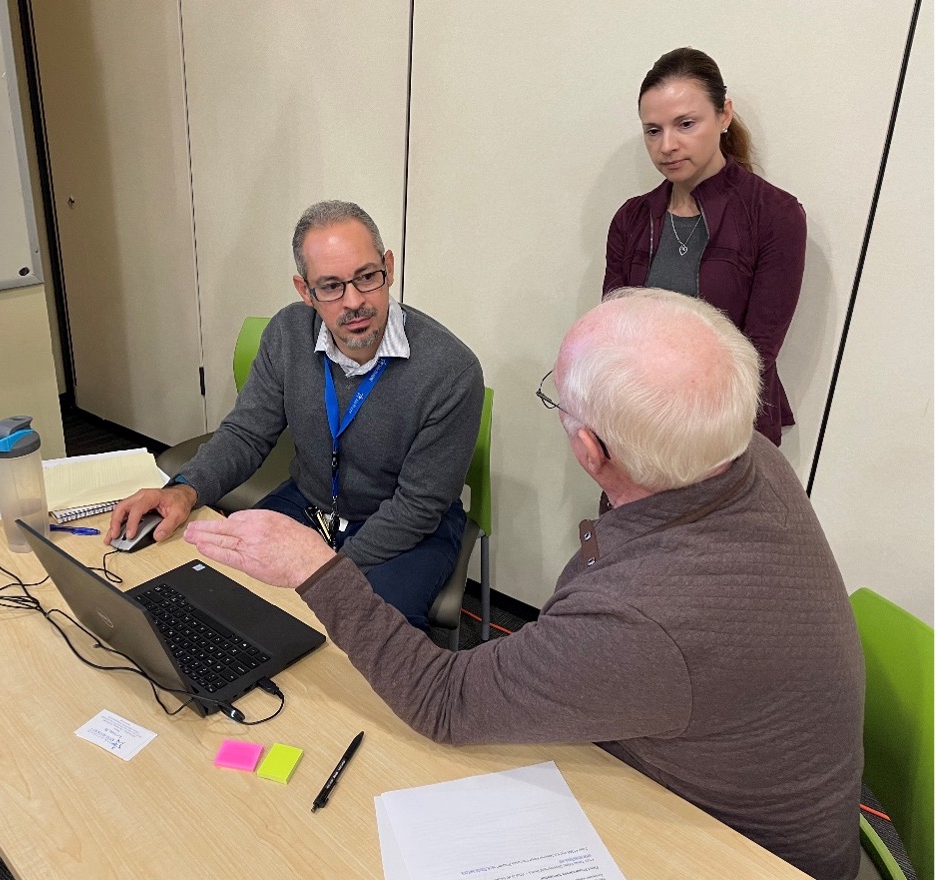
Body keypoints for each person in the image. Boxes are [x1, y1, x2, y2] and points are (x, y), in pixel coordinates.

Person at [183, 288, 865, 880]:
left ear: (590, 452)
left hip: (730, 852)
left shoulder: (641, 622)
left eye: (557, 401)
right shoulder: (748, 459)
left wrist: (314, 567)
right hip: (729, 785)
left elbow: (444, 702)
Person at [107, 199, 484, 631]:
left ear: (389, 267)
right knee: (217, 597)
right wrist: (184, 491)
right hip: (310, 503)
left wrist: (318, 568)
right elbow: (247, 434)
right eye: (331, 286)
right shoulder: (287, 334)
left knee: (364, 640)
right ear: (305, 291)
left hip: (406, 528)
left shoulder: (450, 370)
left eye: (367, 277)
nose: (355, 302)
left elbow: (418, 507)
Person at [604, 47, 807, 446]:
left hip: (726, 432)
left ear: (724, 115)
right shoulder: (631, 219)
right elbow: (611, 336)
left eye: (685, 124)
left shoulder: (774, 214)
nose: (667, 145)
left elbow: (758, 354)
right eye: (653, 130)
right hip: (639, 428)